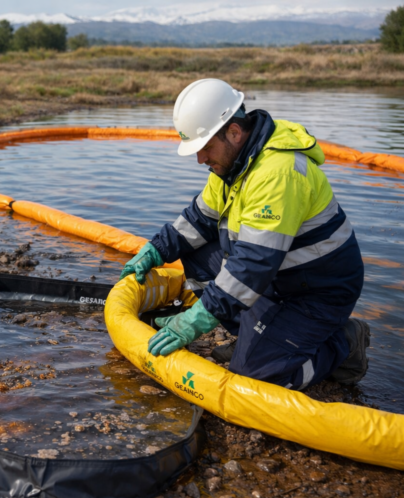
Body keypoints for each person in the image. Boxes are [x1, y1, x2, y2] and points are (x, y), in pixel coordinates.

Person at [120, 78, 369, 389]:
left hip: (317, 291)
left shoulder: (278, 173)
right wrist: (155, 250)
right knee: (193, 251)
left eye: (205, 148)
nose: (201, 159)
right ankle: (257, 330)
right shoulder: (231, 165)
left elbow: (252, 265)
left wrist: (194, 322)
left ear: (234, 132)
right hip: (280, 278)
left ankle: (343, 345)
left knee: (255, 374)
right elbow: (199, 219)